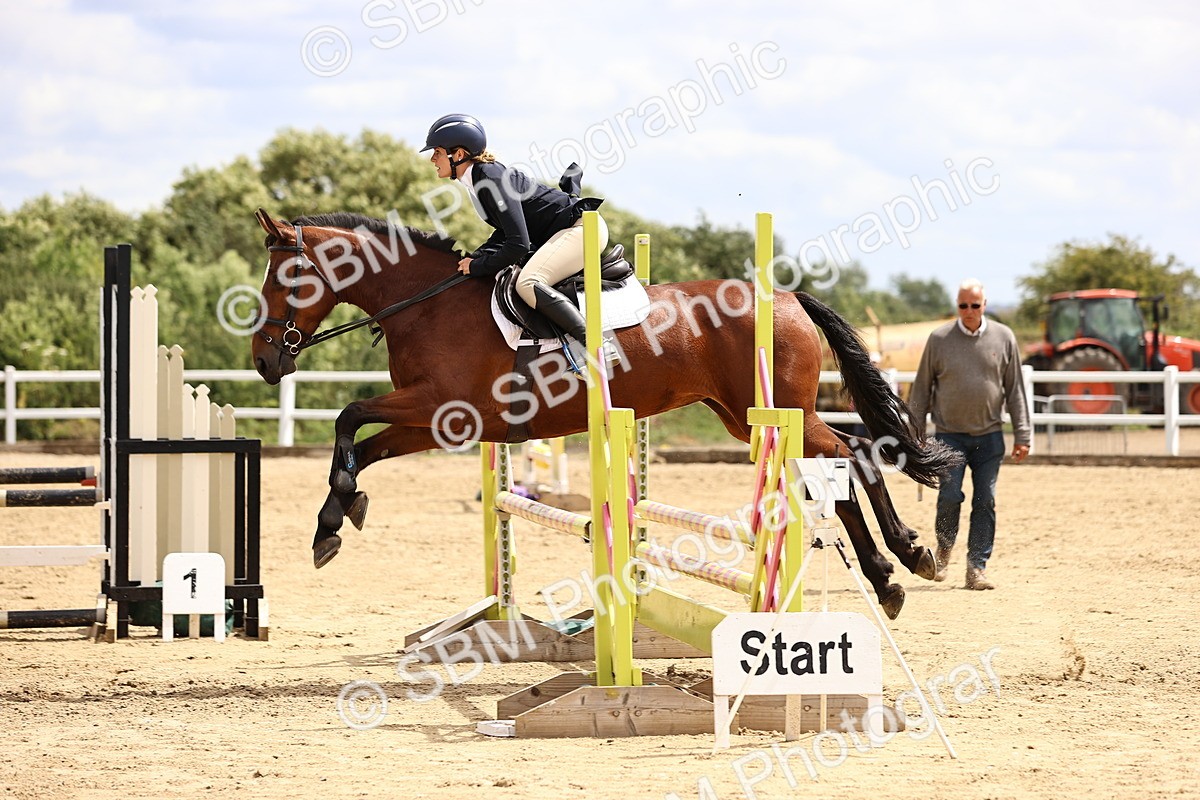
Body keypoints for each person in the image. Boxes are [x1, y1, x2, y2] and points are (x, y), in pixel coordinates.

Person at [420, 113, 619, 373]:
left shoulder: (489, 177)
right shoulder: (477, 179)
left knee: (528, 282)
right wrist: (474, 258)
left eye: (436, 152)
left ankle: (596, 346)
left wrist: (479, 266)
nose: (432, 159)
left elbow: (518, 245)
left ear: (458, 154)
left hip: (581, 230)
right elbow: (506, 233)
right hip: (565, 232)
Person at [908, 279, 1031, 590]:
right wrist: (914, 433)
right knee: (949, 496)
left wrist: (1023, 434)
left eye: (975, 305)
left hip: (990, 436)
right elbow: (922, 389)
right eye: (963, 305)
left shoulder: (1004, 337)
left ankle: (976, 568)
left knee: (985, 499)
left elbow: (1015, 389)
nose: (969, 311)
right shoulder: (939, 339)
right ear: (957, 306)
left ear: (984, 305)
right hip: (948, 436)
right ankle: (945, 551)